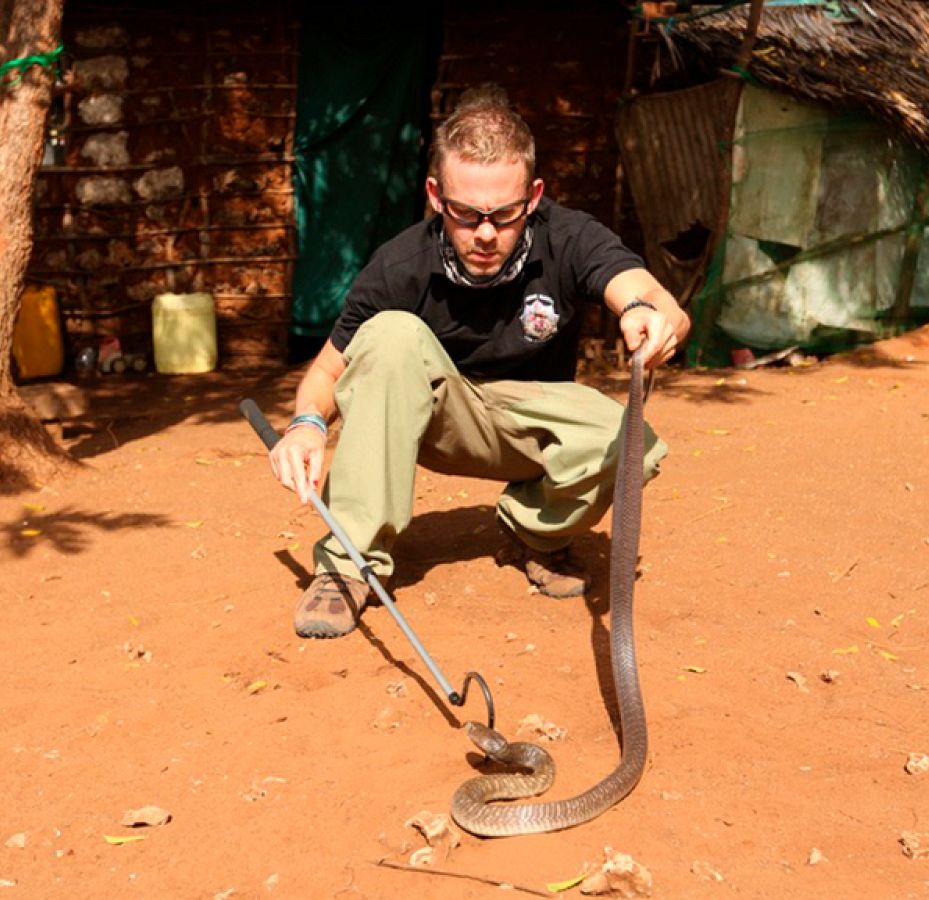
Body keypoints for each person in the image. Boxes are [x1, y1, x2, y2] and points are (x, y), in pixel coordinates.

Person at [265, 85, 690, 639]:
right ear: (436, 196)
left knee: (630, 438)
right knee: (391, 334)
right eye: (466, 214)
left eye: (505, 214)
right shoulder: (399, 265)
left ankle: (534, 532)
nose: (486, 233)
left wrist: (646, 313)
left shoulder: (569, 236)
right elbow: (326, 371)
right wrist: (306, 423)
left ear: (533, 196)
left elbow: (653, 297)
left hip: (528, 426)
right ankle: (349, 563)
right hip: (439, 419)